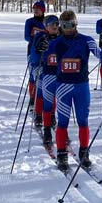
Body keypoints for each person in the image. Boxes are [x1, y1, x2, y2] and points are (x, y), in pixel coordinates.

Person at [45, 10, 102, 172]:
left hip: (81, 87)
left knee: (83, 121)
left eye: (71, 25)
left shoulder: (86, 40)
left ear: (76, 24)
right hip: (63, 87)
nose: (68, 29)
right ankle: (62, 154)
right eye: (64, 25)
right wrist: (41, 46)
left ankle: (84, 153)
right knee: (63, 122)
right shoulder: (56, 43)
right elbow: (44, 62)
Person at [34, 15, 60, 147]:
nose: (54, 26)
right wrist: (39, 49)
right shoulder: (41, 36)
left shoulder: (62, 36)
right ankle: (42, 121)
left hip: (59, 72)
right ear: (46, 26)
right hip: (44, 70)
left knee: (55, 97)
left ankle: (52, 117)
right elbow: (34, 55)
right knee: (44, 95)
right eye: (51, 24)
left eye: (56, 23)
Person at [24, 0, 46, 106]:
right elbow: (26, 37)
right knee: (32, 74)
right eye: (34, 9)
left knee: (43, 74)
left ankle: (43, 95)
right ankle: (32, 97)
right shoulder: (30, 22)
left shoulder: (47, 21)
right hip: (32, 51)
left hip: (46, 51)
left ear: (43, 10)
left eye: (38, 9)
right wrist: (37, 40)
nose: (35, 10)